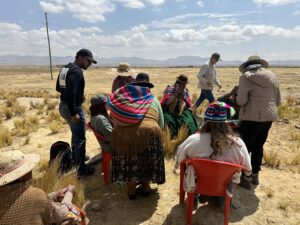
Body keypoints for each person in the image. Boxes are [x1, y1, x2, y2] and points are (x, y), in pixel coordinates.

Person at [174, 102, 252, 196]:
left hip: (198, 184)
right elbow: (248, 170)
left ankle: (195, 195)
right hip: (224, 185)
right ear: (226, 123)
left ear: (205, 122)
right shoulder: (237, 143)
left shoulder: (193, 140)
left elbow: (179, 160)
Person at [109, 73, 165, 200]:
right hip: (149, 133)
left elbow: (113, 118)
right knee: (147, 160)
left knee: (129, 161)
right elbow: (161, 123)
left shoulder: (123, 99)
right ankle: (146, 188)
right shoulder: (153, 99)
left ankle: (132, 191)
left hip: (124, 135)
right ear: (147, 87)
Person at [0, 150, 83, 225]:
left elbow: (19, 203)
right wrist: (69, 193)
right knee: (74, 216)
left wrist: (54, 195)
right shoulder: (35, 194)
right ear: (21, 175)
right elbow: (61, 213)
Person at [236, 55, 281, 189]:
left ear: (247, 66)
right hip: (269, 117)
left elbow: (241, 101)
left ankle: (246, 177)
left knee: (245, 147)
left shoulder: (246, 77)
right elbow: (278, 100)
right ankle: (255, 175)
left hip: (251, 117)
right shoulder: (272, 76)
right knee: (258, 146)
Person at [56, 48, 97, 177]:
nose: (89, 64)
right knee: (80, 138)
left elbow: (59, 88)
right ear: (80, 57)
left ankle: (77, 157)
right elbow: (70, 92)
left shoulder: (65, 68)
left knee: (76, 133)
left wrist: (78, 96)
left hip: (63, 105)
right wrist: (74, 113)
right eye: (88, 61)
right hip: (72, 107)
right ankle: (81, 169)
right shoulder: (77, 72)